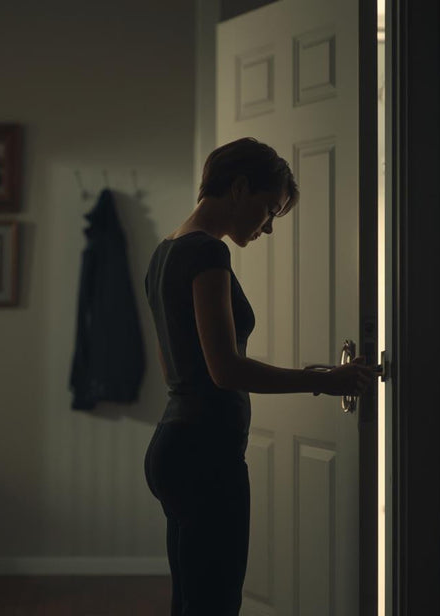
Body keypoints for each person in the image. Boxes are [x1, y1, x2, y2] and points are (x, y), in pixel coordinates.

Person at [143, 137, 375, 615]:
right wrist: (324, 381)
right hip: (207, 454)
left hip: (174, 445)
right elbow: (224, 371)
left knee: (190, 602)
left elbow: (177, 371)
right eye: (270, 209)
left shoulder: (163, 254)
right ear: (240, 187)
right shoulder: (208, 254)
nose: (268, 227)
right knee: (215, 604)